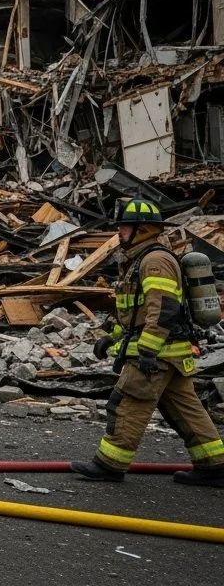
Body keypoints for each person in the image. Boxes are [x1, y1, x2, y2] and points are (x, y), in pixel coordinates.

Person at [70, 199, 224, 485]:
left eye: (125, 227)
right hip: (170, 354)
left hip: (158, 353)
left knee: (128, 402)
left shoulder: (155, 261)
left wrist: (148, 351)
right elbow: (135, 313)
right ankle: (214, 465)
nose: (119, 233)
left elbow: (163, 310)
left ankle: (109, 465)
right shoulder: (140, 260)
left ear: (142, 229)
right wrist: (111, 338)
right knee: (185, 409)